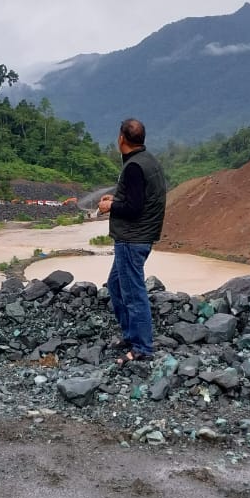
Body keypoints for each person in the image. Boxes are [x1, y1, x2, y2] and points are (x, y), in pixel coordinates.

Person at [98, 118, 166, 362]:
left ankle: (142, 348)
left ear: (121, 139)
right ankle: (130, 335)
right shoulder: (147, 161)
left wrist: (110, 206)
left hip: (131, 238)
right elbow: (138, 197)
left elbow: (134, 208)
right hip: (139, 236)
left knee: (133, 293)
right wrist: (116, 198)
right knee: (115, 285)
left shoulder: (135, 166)